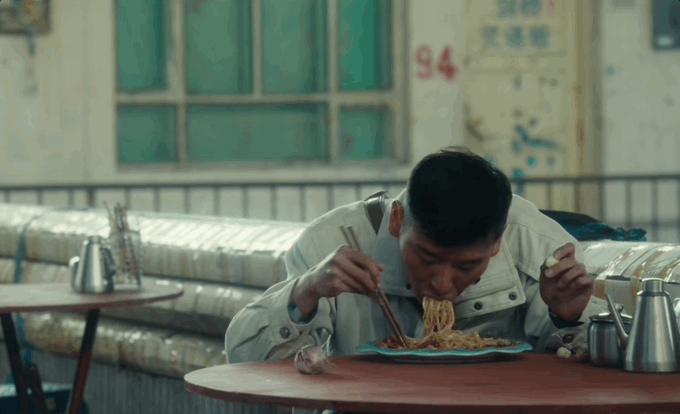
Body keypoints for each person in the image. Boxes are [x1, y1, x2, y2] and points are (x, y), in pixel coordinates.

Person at [226, 147, 607, 414]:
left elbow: (591, 375)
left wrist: (569, 317)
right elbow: (244, 362)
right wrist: (305, 293)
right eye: (426, 258)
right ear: (397, 220)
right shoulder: (333, 242)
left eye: (466, 266)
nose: (441, 283)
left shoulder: (541, 247)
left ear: (498, 242)